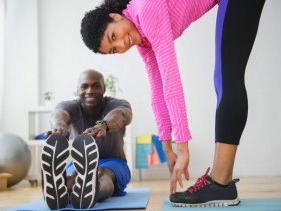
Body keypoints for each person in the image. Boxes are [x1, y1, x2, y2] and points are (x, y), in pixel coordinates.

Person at [80, 0, 266, 207]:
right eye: (114, 49)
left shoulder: (145, 9)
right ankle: (222, 184)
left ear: (115, 17)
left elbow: (171, 81)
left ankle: (221, 185)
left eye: (114, 36)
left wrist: (183, 147)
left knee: (227, 78)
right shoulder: (141, 37)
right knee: (224, 79)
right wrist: (167, 146)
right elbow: (158, 90)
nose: (122, 45)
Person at [40, 69, 133, 210]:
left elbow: (121, 114)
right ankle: (60, 189)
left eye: (96, 86)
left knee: (102, 173)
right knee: (74, 175)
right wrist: (59, 127)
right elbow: (58, 114)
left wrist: (103, 125)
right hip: (79, 161)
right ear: (78, 89)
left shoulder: (116, 104)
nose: (90, 90)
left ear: (104, 88)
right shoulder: (70, 106)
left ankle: (92, 190)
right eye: (85, 86)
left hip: (114, 162)